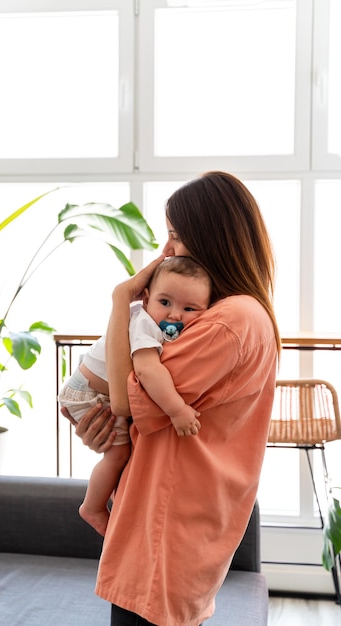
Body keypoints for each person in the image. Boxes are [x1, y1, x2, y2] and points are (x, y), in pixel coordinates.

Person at [62, 171, 280, 626]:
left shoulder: (228, 320)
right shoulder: (232, 313)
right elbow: (136, 410)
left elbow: (129, 399)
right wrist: (108, 429)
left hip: (167, 528)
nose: (169, 251)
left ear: (210, 238)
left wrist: (122, 299)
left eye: (177, 236)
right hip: (172, 523)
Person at [59, 256, 211, 536]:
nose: (174, 315)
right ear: (146, 298)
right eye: (165, 303)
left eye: (189, 309)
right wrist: (177, 410)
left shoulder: (160, 323)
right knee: (119, 454)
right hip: (88, 393)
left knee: (126, 454)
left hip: (96, 390)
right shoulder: (145, 325)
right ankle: (92, 507)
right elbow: (147, 370)